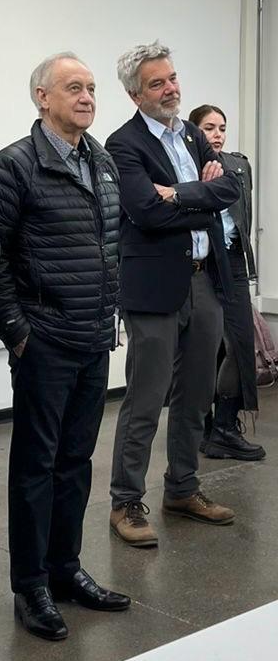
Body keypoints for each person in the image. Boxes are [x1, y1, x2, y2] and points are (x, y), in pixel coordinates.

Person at [0, 52, 131, 642]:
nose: (87, 97)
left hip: (93, 338)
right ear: (43, 97)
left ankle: (66, 569)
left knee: (76, 464)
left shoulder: (102, 161)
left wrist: (110, 315)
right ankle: (31, 585)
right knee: (35, 468)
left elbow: (109, 248)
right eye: (74, 88)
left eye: (91, 88)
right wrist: (18, 334)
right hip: (45, 343)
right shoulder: (12, 168)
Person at [106, 41, 241, 548]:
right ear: (135, 94)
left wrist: (180, 194)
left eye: (173, 78)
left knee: (196, 395)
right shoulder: (123, 144)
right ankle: (125, 501)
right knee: (146, 398)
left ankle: (182, 488)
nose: (170, 89)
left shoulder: (191, 134)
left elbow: (230, 189)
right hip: (154, 288)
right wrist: (202, 202)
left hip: (205, 280)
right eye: (157, 83)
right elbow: (145, 211)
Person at [189, 104, 265, 461]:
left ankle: (224, 427)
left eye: (221, 127)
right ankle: (202, 426)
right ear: (194, 132)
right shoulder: (184, 166)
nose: (217, 134)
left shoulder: (238, 165)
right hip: (198, 262)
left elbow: (243, 220)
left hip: (232, 260)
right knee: (200, 348)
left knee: (239, 345)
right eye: (209, 128)